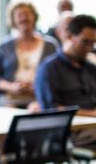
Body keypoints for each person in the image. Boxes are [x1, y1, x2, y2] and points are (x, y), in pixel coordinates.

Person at [34, 14, 96, 145]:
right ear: (69, 36)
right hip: (70, 131)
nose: (89, 48)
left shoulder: (90, 68)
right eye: (85, 42)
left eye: (93, 43)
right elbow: (51, 111)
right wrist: (91, 114)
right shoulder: (49, 69)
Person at [0, 2, 58, 108]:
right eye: (19, 15)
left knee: (36, 109)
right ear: (13, 20)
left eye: (27, 14)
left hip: (38, 95)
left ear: (34, 17)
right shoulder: (4, 46)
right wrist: (12, 87)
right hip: (9, 96)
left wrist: (38, 86)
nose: (24, 18)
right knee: (10, 110)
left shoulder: (50, 45)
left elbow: (58, 75)